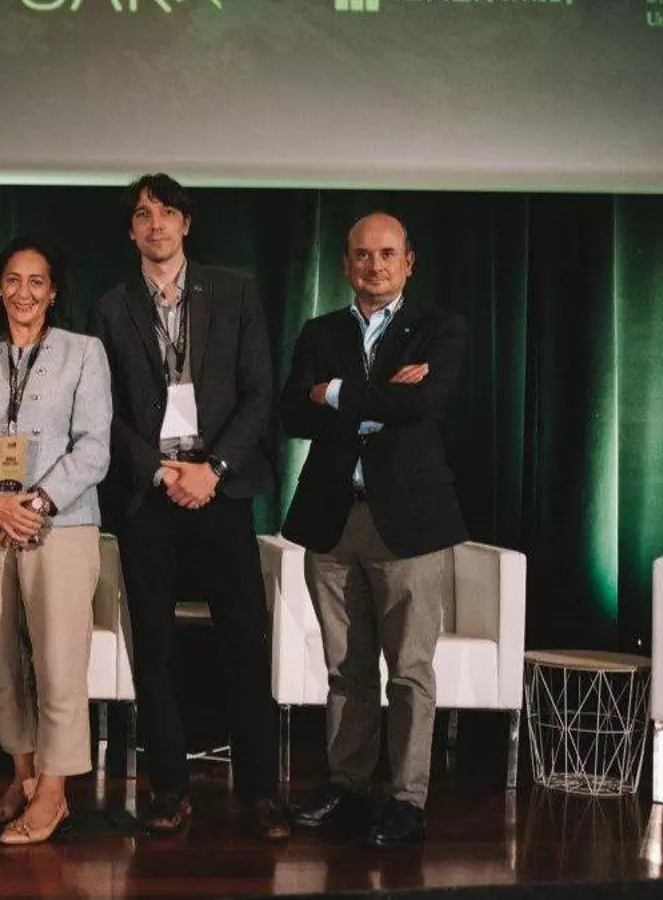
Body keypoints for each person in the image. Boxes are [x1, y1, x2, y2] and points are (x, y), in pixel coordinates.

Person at [86, 173, 287, 841]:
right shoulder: (110, 308)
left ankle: (260, 792)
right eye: (144, 214)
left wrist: (213, 469)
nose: (156, 224)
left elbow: (258, 394)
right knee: (155, 645)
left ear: (186, 224)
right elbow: (104, 411)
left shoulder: (235, 292)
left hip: (220, 488)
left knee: (245, 640)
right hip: (149, 492)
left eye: (168, 212)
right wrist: (159, 468)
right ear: (131, 231)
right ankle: (168, 789)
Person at [280, 212, 468, 851]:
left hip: (409, 524)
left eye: (388, 254)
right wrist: (380, 397)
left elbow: (425, 404)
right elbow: (291, 414)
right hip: (333, 520)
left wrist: (333, 392)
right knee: (345, 667)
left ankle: (407, 799)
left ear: (408, 262)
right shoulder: (320, 330)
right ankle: (348, 784)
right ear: (345, 265)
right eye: (363, 255)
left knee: (409, 669)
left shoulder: (439, 329)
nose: (375, 265)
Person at [0, 236, 112, 845]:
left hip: (59, 526)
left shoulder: (84, 352)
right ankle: (22, 777)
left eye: (37, 281)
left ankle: (54, 793)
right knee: (5, 664)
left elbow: (94, 447)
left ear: (54, 291)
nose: (24, 292)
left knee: (60, 662)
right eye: (13, 280)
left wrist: (35, 504)